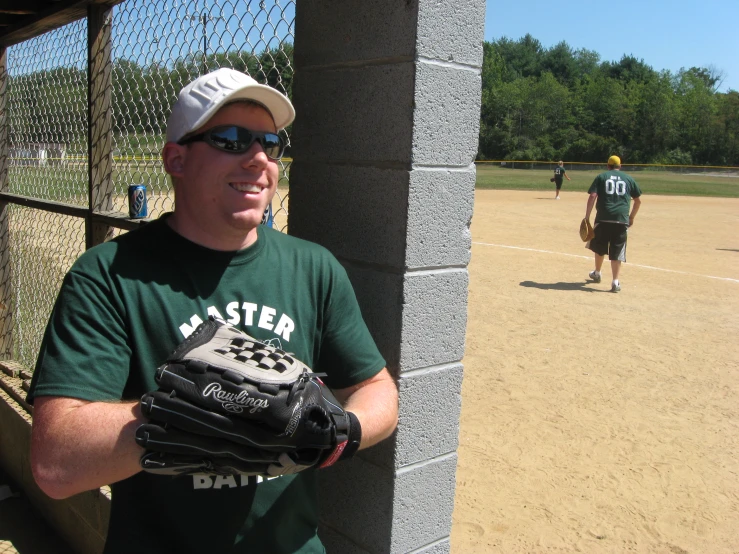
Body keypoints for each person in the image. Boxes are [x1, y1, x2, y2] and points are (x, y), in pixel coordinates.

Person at [27, 68, 399, 554]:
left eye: (271, 143)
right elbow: (56, 464)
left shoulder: (313, 267)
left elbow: (378, 390)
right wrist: (187, 416)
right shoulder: (109, 275)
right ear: (175, 159)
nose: (259, 158)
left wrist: (336, 431)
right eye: (230, 139)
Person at [584, 155, 642, 293]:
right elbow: (638, 201)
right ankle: (615, 282)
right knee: (617, 250)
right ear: (620, 166)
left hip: (603, 217)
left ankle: (597, 273)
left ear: (608, 165)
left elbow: (592, 196)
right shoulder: (628, 179)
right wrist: (631, 217)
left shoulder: (602, 177)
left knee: (599, 247)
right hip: (621, 219)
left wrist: (587, 217)